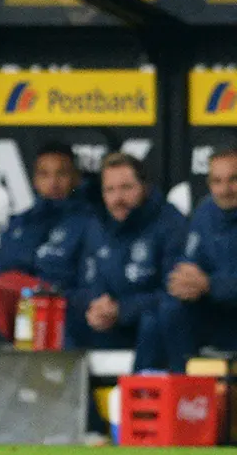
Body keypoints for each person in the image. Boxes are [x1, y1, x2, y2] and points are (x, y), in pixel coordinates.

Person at [68, 153, 186, 371]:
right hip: (107, 324)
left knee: (155, 320)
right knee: (64, 316)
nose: (117, 198)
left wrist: (122, 310)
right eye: (109, 190)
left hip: (145, 327)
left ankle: (142, 392)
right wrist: (95, 306)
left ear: (145, 187)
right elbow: (85, 283)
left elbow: (175, 294)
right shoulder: (97, 225)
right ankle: (65, 394)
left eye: (126, 188)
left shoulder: (170, 224)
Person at [161, 148, 237, 371]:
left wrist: (209, 284)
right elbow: (190, 263)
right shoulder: (205, 212)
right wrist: (185, 281)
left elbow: (206, 283)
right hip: (214, 312)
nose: (225, 190)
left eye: (233, 180)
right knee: (168, 312)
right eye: (217, 181)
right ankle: (180, 385)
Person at [0, 141, 95, 291]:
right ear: (35, 180)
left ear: (76, 178)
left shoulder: (90, 223)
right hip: (14, 299)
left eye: (61, 174)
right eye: (44, 174)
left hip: (60, 302)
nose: (53, 183)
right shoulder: (19, 223)